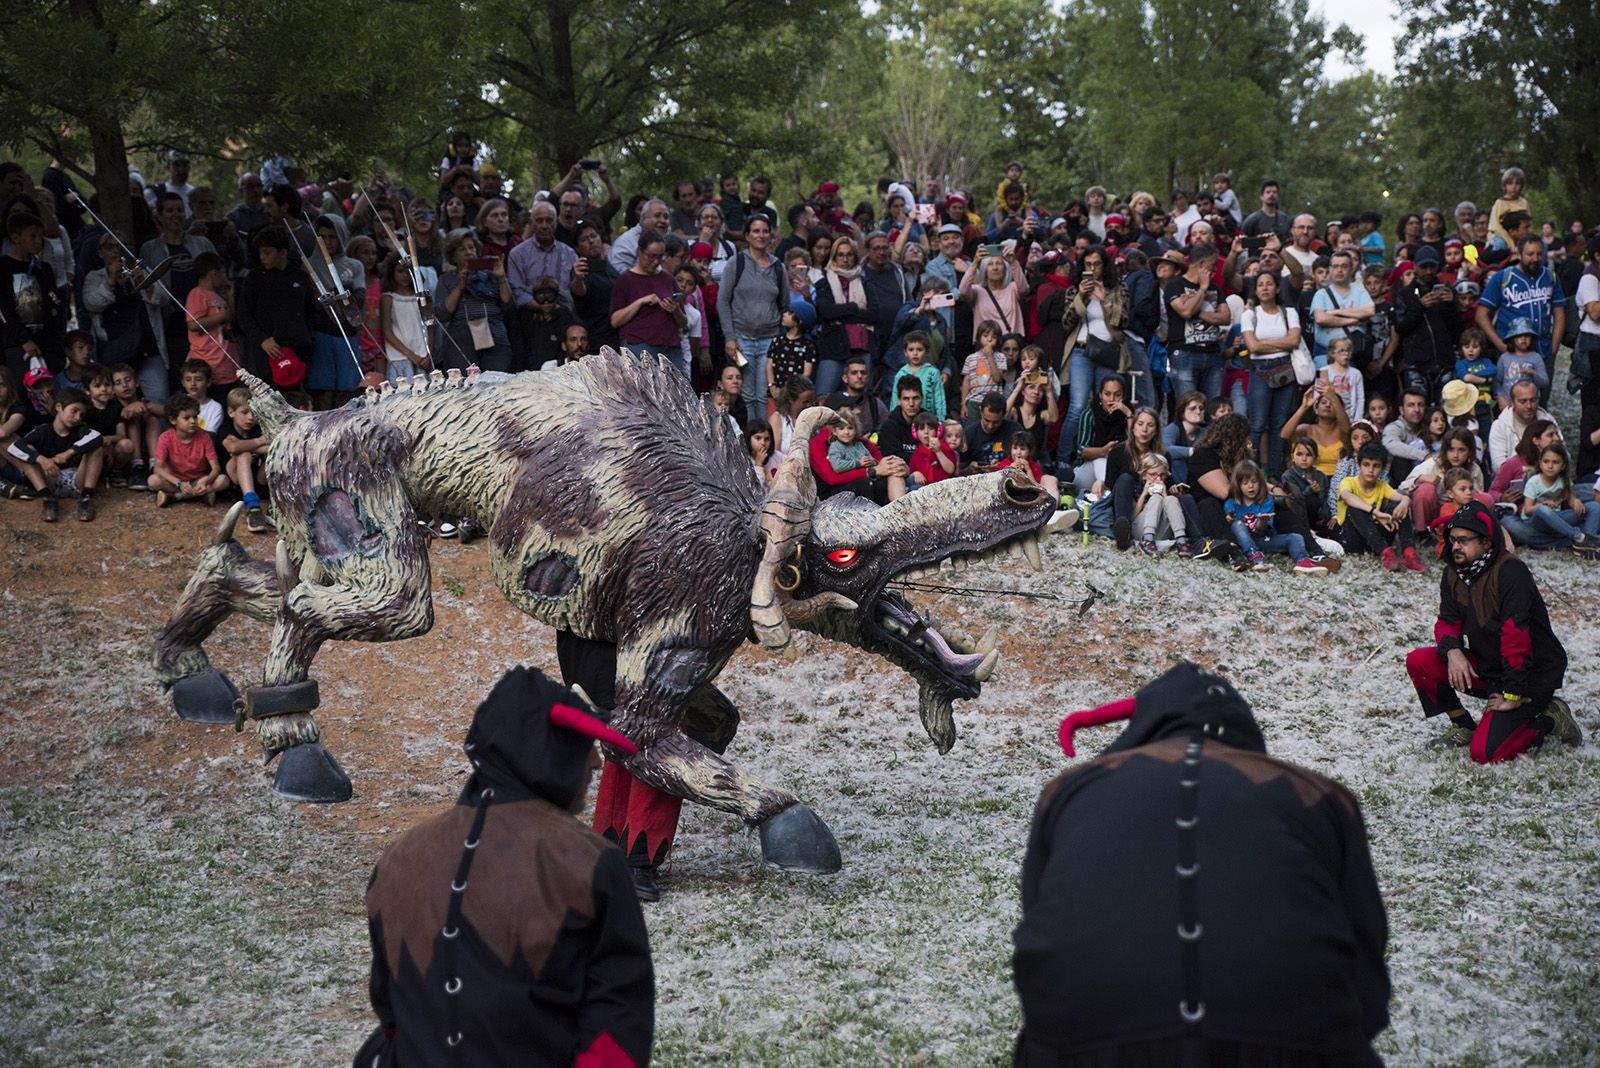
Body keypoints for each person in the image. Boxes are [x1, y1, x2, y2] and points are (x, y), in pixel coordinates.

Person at [1015, 663, 1389, 1065]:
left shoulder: (1071, 790)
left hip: (1082, 1033)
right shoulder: (1320, 796)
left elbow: (1038, 930)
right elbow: (1367, 966)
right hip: (1293, 1035)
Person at [357, 666, 653, 1067]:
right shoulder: (589, 860)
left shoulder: (397, 859)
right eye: (585, 746)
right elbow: (619, 1015)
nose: (597, 765)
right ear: (553, 752)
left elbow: (390, 1013)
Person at [1404, 503, 1581, 759]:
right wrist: (1453, 651)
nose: (1455, 546)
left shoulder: (1510, 572)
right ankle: (1463, 725)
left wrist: (1512, 693)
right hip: (1490, 666)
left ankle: (1551, 719)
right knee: (1419, 662)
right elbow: (1447, 620)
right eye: (1453, 539)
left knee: (1486, 753)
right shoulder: (1455, 572)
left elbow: (1515, 636)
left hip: (1529, 675)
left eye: (1464, 540)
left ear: (1486, 543)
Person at [717, 215, 785, 423]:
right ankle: (747, 440)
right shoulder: (735, 263)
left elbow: (784, 304)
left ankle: (762, 439)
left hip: (769, 339)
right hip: (741, 338)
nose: (761, 235)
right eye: (756, 231)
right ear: (747, 235)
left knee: (763, 393)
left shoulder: (777, 267)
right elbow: (722, 302)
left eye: (765, 231)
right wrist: (730, 336)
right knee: (745, 393)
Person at [5, 387, 103, 522]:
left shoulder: (80, 430)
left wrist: (69, 452)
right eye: (74, 411)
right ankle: (48, 499)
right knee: (26, 451)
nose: (77, 418)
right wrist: (41, 459)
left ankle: (86, 499)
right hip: (51, 480)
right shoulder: (43, 430)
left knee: (96, 448)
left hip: (77, 481)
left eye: (81, 414)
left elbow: (97, 437)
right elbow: (14, 447)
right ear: (59, 407)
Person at [1238, 270, 1302, 475]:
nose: (1264, 288)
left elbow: (1294, 341)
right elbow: (1252, 347)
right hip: (1260, 370)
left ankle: (1274, 473)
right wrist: (1279, 345)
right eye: (1260, 284)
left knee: (1279, 424)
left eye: (1269, 283)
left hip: (1285, 369)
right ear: (1255, 290)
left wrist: (1263, 343)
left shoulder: (1289, 312)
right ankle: (1251, 471)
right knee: (1257, 424)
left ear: (1277, 288)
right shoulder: (1250, 314)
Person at [1478, 235, 1566, 371]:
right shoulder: (1503, 277)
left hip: (1543, 350)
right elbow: (1481, 315)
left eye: (1539, 254)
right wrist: (1501, 346)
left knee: (1543, 390)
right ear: (1518, 254)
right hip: (1512, 352)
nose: (1535, 259)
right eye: (1530, 254)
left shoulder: (1551, 277)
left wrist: (1554, 348)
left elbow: (1559, 314)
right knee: (1513, 391)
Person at [1225, 458, 1326, 574]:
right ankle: (1255, 557)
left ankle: (1302, 561)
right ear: (1237, 485)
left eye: (1254, 481)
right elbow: (1229, 522)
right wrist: (1230, 518)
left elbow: (1262, 530)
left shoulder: (1267, 500)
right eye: (1245, 483)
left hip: (1263, 539)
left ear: (1261, 482)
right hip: (1242, 542)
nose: (1251, 486)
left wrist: (1262, 522)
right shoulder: (1232, 502)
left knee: (1296, 537)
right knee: (1237, 524)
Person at [436, 231, 514, 373]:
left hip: (494, 335)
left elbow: (509, 306)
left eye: (471, 248)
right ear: (453, 256)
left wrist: (502, 278)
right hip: (461, 340)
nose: (468, 252)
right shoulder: (446, 280)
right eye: (462, 249)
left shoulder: (491, 276)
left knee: (496, 382)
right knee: (467, 387)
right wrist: (460, 286)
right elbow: (442, 314)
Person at [1336, 442, 1420, 571]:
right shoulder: (1348, 482)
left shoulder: (1382, 485)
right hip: (1353, 539)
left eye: (1376, 466)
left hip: (1376, 537)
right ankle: (1386, 552)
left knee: (1398, 505)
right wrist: (1375, 512)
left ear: (1382, 468)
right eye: (1366, 465)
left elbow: (1404, 497)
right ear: (1359, 465)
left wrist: (1404, 502)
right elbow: (1347, 497)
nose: (1370, 470)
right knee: (1353, 508)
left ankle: (1409, 553)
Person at [1503, 443, 1600, 552]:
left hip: (1557, 518)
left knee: (1594, 506)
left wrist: (1576, 502)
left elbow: (1571, 498)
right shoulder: (1534, 482)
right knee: (1542, 510)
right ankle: (1578, 537)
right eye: (1546, 461)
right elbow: (1528, 510)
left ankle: (1588, 541)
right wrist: (1542, 505)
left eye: (1555, 462)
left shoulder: (1564, 481)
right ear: (1540, 464)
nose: (1550, 466)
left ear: (1563, 465)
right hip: (1535, 522)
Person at [609, 232, 685, 370]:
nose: (656, 262)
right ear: (640, 252)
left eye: (660, 257)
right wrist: (640, 302)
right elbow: (615, 320)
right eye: (651, 256)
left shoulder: (668, 278)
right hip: (639, 346)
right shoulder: (625, 280)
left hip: (670, 348)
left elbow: (683, 322)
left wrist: (675, 309)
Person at [1163, 243, 1229, 400]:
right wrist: (1202, 289)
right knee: (1189, 406)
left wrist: (1196, 312)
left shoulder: (1216, 288)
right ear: (1201, 264)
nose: (1214, 270)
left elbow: (1225, 318)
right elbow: (1185, 312)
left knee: (1212, 407)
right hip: (1184, 354)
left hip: (1212, 354)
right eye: (1212, 265)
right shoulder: (1175, 285)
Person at [148, 394, 228, 507]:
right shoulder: (165, 438)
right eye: (186, 418)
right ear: (173, 420)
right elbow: (158, 468)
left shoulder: (204, 436)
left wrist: (205, 482)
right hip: (176, 481)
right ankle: (201, 495)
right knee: (153, 481)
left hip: (199, 480)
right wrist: (179, 483)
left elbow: (216, 468)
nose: (192, 421)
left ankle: (176, 497)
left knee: (223, 480)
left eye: (195, 417)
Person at [218, 387, 272, 533]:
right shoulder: (225, 429)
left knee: (274, 455)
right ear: (231, 412)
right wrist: (260, 441)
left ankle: (277, 504)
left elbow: (272, 447)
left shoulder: (257, 428)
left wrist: (243, 445)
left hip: (258, 480)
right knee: (243, 455)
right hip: (235, 482)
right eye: (244, 412)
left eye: (254, 412)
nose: (250, 417)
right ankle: (253, 508)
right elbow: (233, 448)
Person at [1309, 250, 1374, 364]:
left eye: (1344, 266)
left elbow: (1369, 311)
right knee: (1323, 382)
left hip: (1352, 354)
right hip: (1325, 355)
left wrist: (1335, 312)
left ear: (1351, 268)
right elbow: (1321, 319)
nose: (1339, 270)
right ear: (1330, 269)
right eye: (1335, 266)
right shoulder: (1321, 294)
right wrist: (1353, 320)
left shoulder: (1359, 291)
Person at [1488, 379, 1559, 472]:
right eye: (1523, 401)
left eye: (1533, 400)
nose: (1529, 406)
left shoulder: (1548, 420)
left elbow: (1564, 454)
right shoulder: (1499, 426)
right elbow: (1498, 465)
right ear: (1512, 402)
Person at [1491, 318, 1549, 409]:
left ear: (1532, 339)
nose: (1523, 339)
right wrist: (1499, 397)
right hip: (1508, 404)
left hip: (1529, 405)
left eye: (1527, 336)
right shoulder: (1504, 358)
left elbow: (1545, 383)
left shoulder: (1536, 357)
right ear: (1512, 339)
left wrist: (1533, 373)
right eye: (1519, 336)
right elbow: (1497, 381)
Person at [960, 322, 1008, 421]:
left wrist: (990, 357)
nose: (989, 339)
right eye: (985, 336)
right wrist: (963, 404)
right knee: (972, 430)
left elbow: (997, 378)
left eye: (993, 337)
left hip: (994, 402)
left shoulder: (1001, 357)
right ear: (979, 337)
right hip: (974, 400)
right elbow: (966, 381)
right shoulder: (971, 358)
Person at [908, 411, 958, 488]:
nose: (926, 432)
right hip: (924, 490)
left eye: (930, 429)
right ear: (915, 433)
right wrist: (915, 473)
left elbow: (951, 470)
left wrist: (938, 451)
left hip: (944, 488)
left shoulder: (945, 448)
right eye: (921, 429)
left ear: (938, 431)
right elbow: (911, 472)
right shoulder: (916, 455)